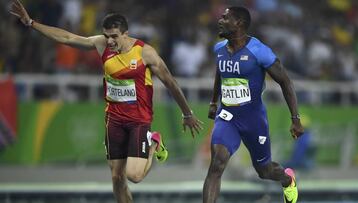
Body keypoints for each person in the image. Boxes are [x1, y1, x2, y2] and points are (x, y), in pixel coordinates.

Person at [9, 1, 203, 203]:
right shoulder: (101, 44)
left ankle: (154, 142)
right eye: (106, 36)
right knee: (117, 177)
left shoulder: (146, 53)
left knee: (134, 176)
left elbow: (171, 83)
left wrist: (187, 113)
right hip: (114, 120)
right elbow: (67, 37)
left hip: (139, 120)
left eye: (114, 37)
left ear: (126, 33)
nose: (109, 41)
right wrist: (31, 22)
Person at [203, 7, 304, 203]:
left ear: (239, 23)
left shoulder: (259, 51)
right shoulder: (219, 49)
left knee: (264, 171)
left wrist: (295, 119)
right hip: (227, 117)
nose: (220, 20)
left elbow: (285, 81)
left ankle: (287, 179)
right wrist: (213, 101)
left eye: (225, 18)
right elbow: (221, 73)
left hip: (253, 120)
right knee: (216, 164)